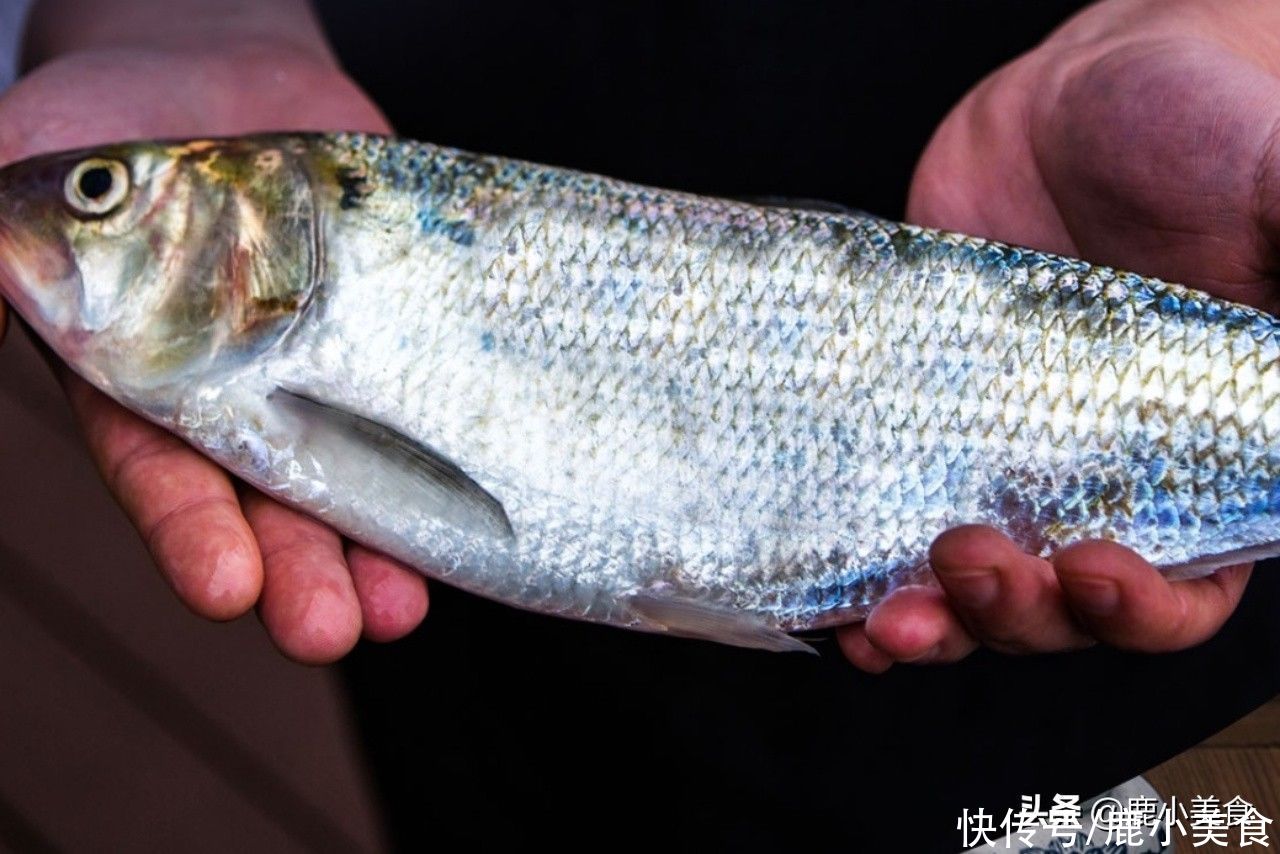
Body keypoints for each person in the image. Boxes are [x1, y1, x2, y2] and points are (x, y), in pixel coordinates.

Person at [3, 0, 1279, 848]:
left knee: (1196, 805)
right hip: (538, 693)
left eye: (102, 192)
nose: (75, 210)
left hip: (1154, 613)